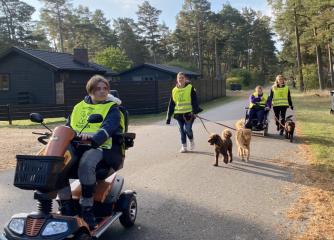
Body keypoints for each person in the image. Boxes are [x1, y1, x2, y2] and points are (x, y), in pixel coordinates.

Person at [57, 75, 124, 229]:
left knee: (86, 163)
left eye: (105, 88)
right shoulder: (78, 106)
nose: (102, 91)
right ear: (90, 90)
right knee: (58, 162)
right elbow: (68, 126)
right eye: (98, 89)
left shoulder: (112, 108)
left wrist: (94, 138)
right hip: (77, 145)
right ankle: (66, 205)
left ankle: (86, 208)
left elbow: (109, 127)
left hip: (100, 147)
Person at [166, 72, 203, 153]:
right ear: (177, 79)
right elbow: (171, 104)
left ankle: (192, 141)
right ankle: (184, 147)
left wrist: (195, 111)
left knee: (187, 129)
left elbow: (194, 101)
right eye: (179, 78)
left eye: (182, 78)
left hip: (189, 114)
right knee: (182, 130)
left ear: (185, 79)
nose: (181, 79)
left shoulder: (190, 88)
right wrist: (168, 117)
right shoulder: (174, 90)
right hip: (179, 114)